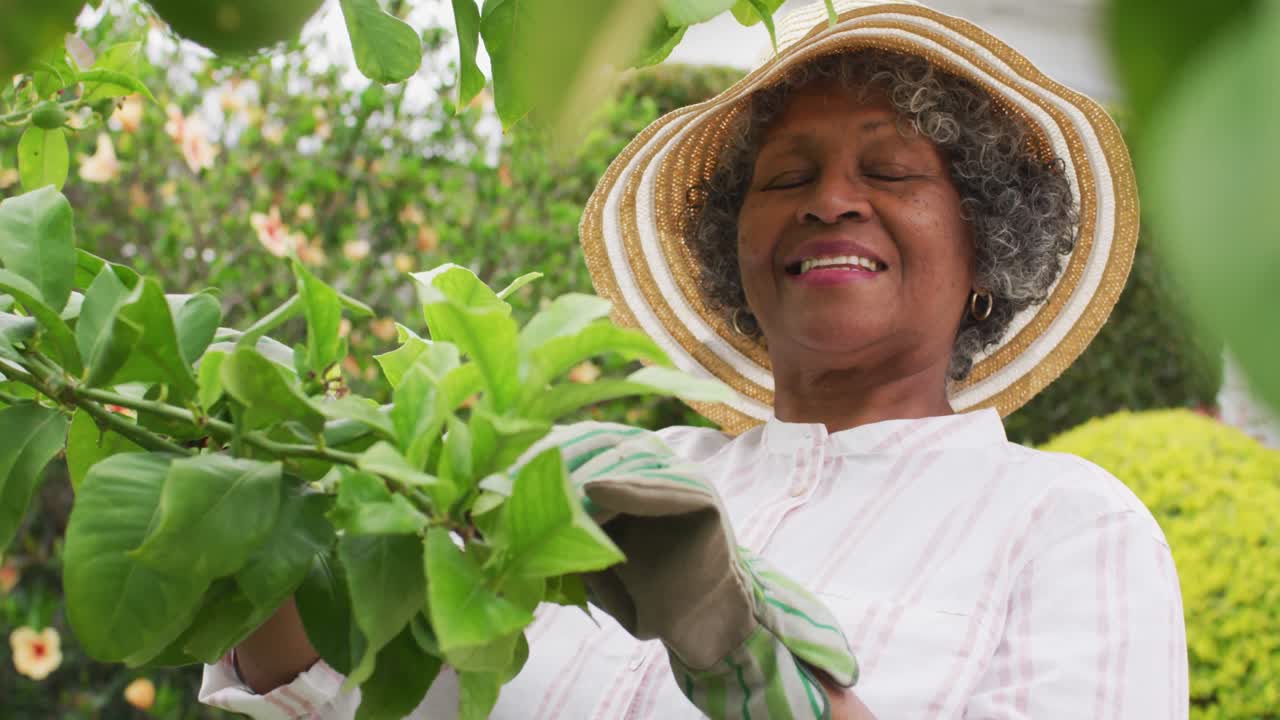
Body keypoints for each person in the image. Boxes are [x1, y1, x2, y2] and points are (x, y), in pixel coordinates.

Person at [200, 1, 1188, 717]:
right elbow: (347, 692)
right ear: (734, 254)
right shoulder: (601, 478)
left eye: (887, 170)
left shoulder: (1066, 525)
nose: (829, 200)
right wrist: (269, 511)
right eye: (786, 177)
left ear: (984, 250)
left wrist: (742, 658)